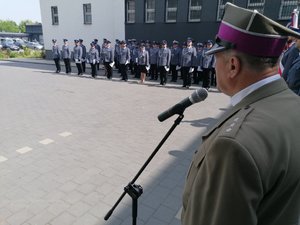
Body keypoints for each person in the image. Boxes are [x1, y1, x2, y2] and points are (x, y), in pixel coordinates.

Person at [181, 3, 300, 225]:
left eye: (216, 56)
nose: (213, 64)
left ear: (233, 65)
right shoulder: (294, 104)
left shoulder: (232, 145)